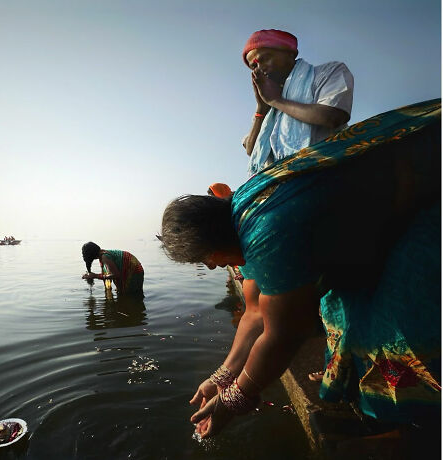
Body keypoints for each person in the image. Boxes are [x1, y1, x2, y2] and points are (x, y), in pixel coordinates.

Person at [161, 99, 441, 440]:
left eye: (204, 259)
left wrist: (232, 402)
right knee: (340, 307)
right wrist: (220, 378)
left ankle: (414, 427)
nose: (211, 266)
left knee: (394, 326)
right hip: (386, 207)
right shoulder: (241, 217)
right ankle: (384, 415)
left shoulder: (267, 231)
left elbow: (284, 334)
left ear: (211, 246)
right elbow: (253, 314)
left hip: (425, 192)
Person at [243, 29, 354, 176]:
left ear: (290, 53)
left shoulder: (326, 73)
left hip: (326, 175)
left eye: (265, 58)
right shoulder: (268, 107)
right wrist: (262, 109)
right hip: (276, 186)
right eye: (254, 66)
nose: (260, 68)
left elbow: (332, 116)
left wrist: (276, 101)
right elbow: (252, 150)